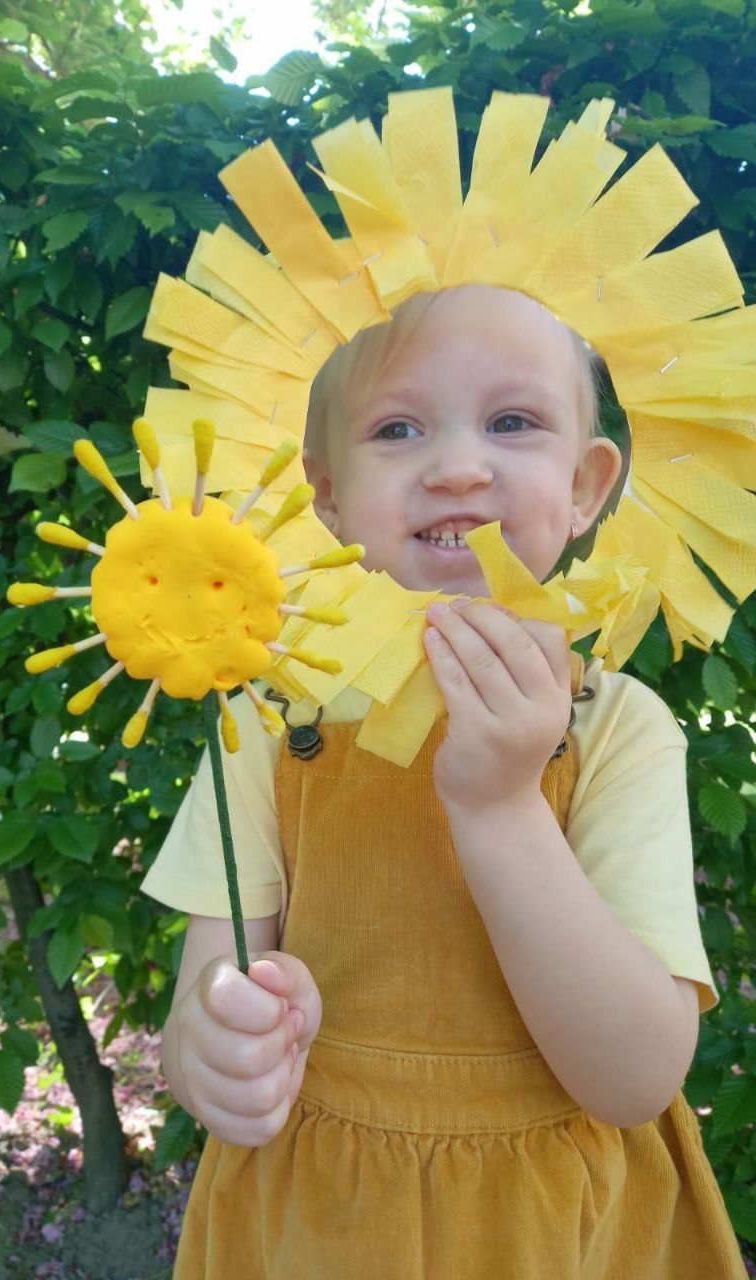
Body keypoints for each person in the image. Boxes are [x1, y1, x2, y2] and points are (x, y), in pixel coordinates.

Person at [140, 284, 748, 1278]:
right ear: (325, 492)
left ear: (589, 483)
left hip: (553, 1227)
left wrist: (501, 801)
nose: (458, 465)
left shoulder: (615, 731)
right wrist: (217, 1045)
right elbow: (205, 997)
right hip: (322, 1218)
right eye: (398, 427)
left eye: (513, 421)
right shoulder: (271, 717)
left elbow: (636, 1075)